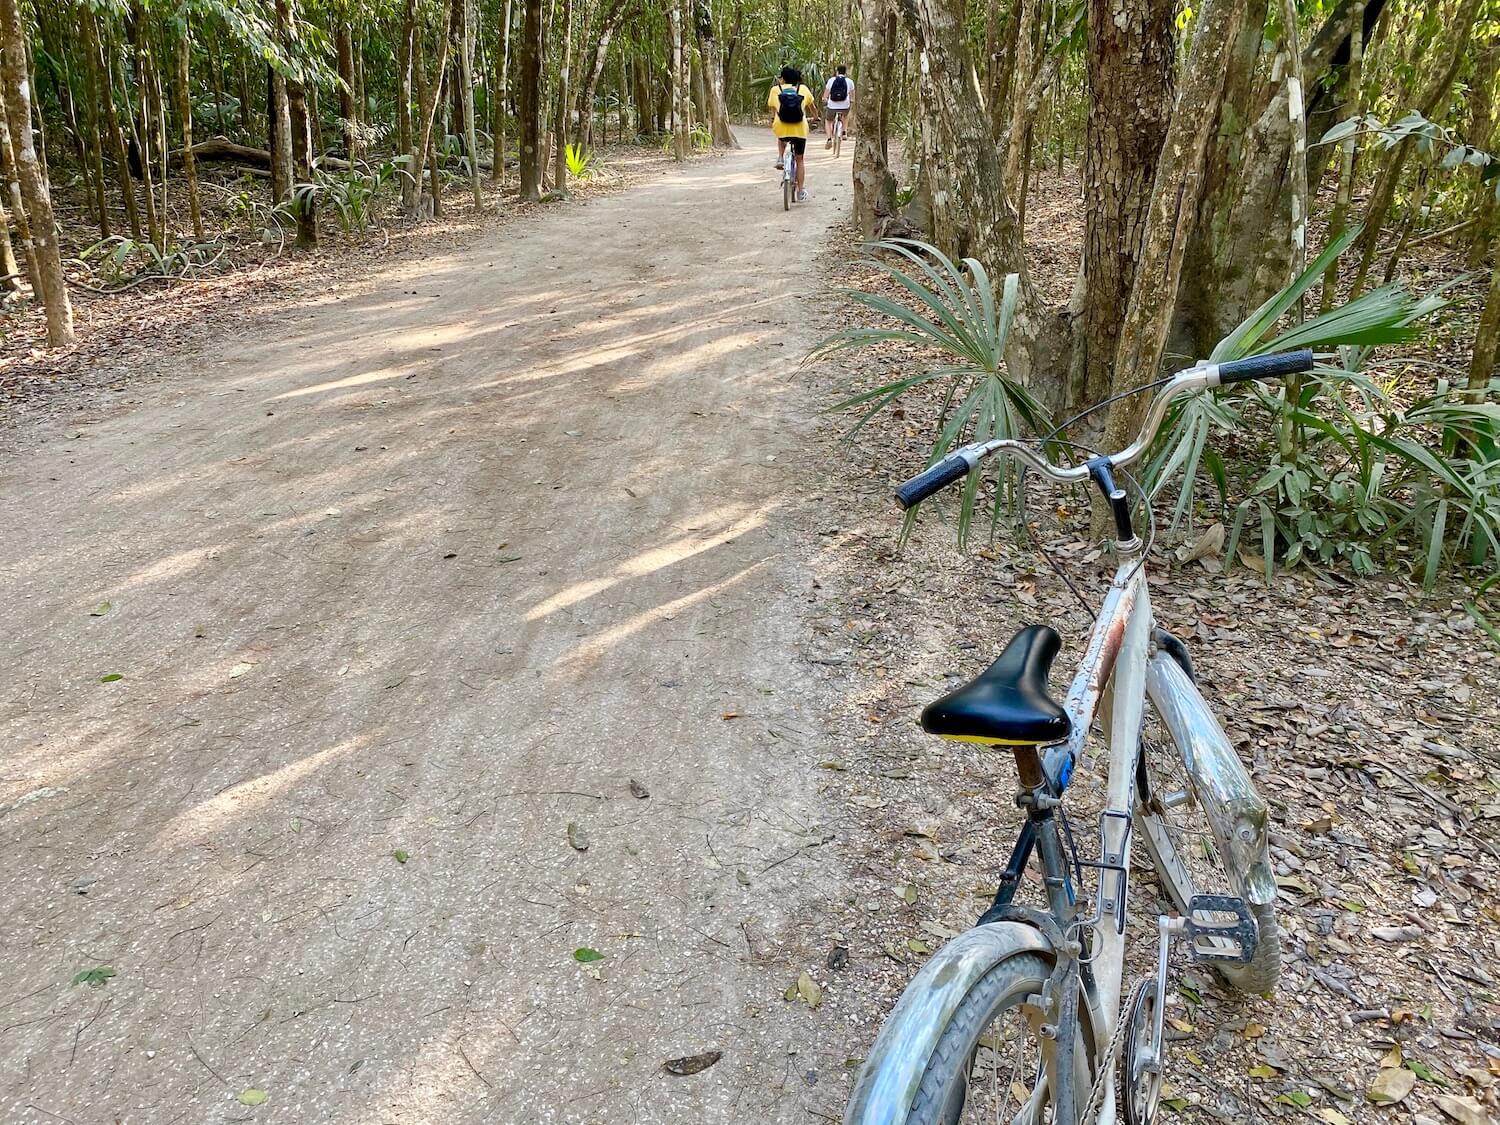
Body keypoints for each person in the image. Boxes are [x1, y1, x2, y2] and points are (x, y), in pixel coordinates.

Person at [767, 65, 817, 203]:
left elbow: (772, 108)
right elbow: (813, 108)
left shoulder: (776, 90)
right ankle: (801, 191)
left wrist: (773, 118)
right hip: (799, 129)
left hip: (781, 127)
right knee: (800, 160)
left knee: (781, 136)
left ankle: (780, 157)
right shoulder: (803, 89)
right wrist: (815, 117)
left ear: (782, 79)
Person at [823, 65, 854, 148]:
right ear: (845, 72)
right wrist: (851, 100)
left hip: (832, 106)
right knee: (845, 116)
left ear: (837, 72)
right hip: (845, 106)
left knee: (828, 121)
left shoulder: (831, 80)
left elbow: (826, 94)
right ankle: (844, 132)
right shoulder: (850, 81)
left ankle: (829, 138)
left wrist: (824, 99)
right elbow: (852, 95)